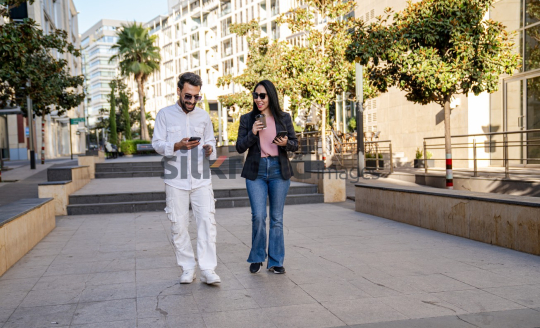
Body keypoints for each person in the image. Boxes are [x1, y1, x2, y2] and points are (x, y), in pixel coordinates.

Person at [152, 72, 220, 285]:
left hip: (202, 178)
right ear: (179, 91)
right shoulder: (164, 115)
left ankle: (208, 269)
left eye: (196, 97)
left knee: (207, 223)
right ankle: (187, 268)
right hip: (176, 180)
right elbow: (157, 144)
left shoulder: (203, 116)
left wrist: (210, 149)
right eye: (188, 96)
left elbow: (212, 143)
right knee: (179, 226)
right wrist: (177, 145)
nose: (192, 101)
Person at [236, 80, 298, 274]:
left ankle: (276, 261)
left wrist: (286, 142)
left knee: (276, 218)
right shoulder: (247, 119)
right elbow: (239, 147)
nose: (258, 99)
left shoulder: (284, 118)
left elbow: (295, 144)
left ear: (270, 96)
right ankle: (256, 257)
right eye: (255, 95)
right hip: (257, 172)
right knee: (258, 216)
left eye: (262, 95)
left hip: (279, 171)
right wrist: (253, 132)